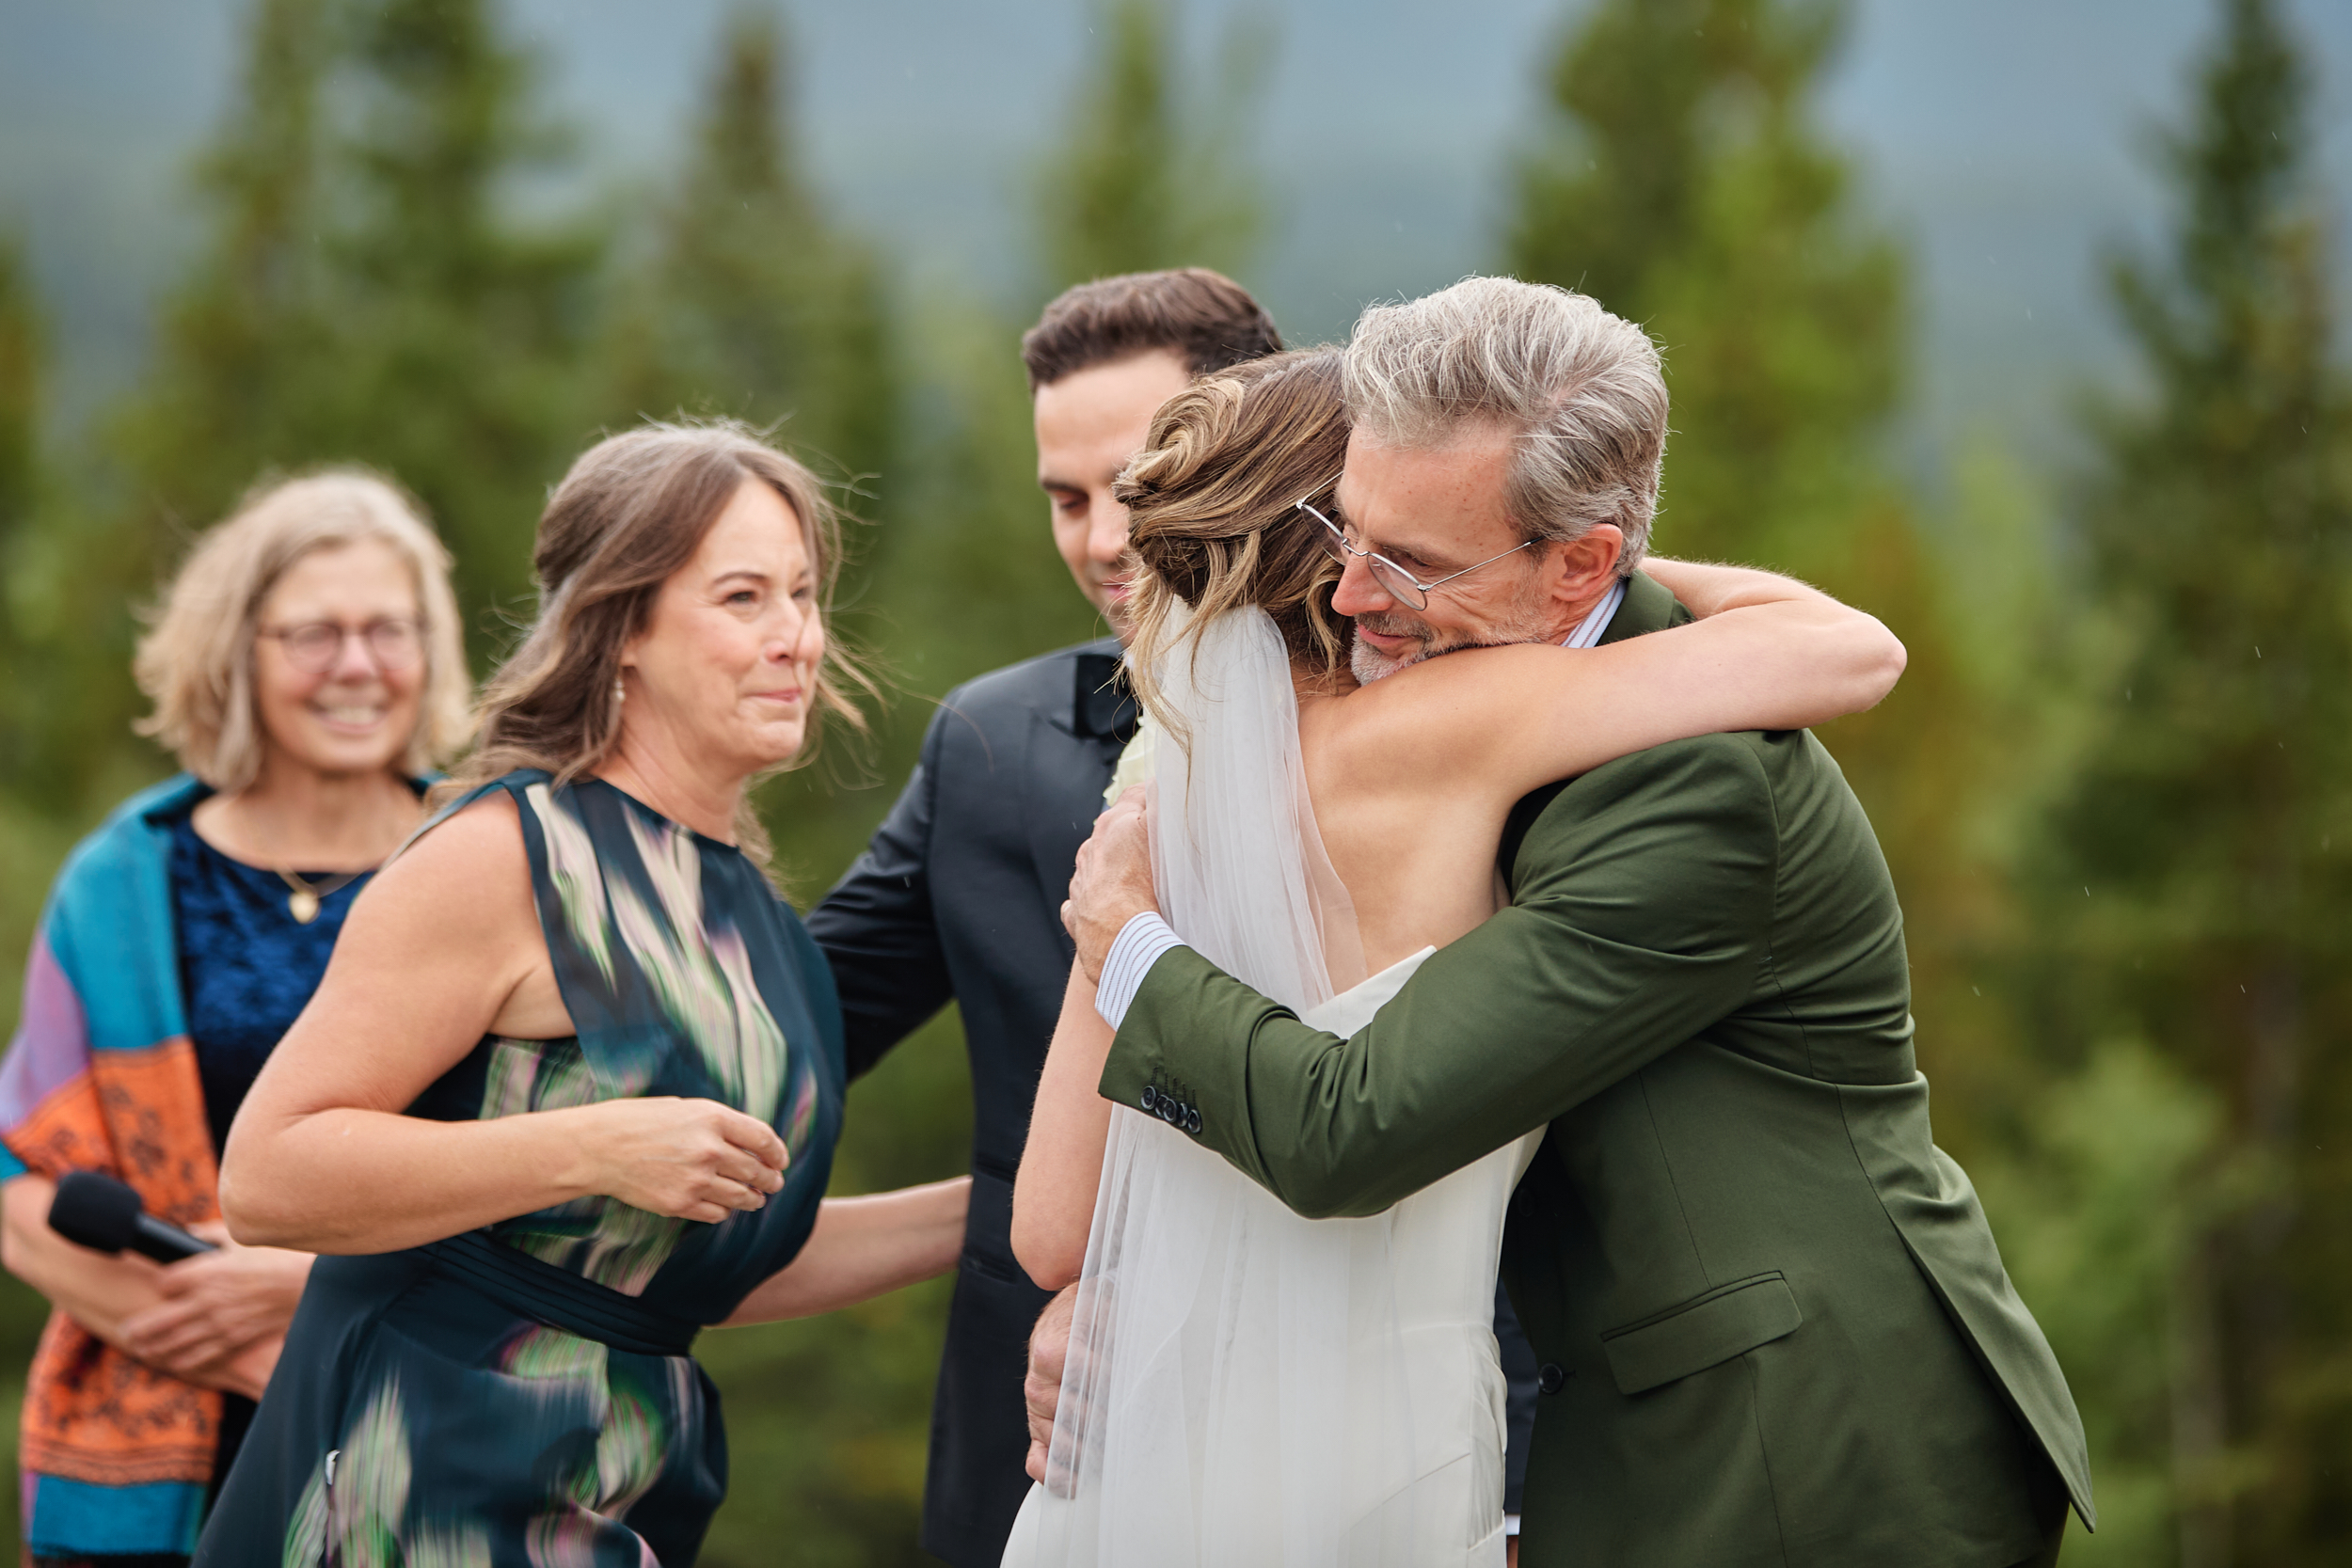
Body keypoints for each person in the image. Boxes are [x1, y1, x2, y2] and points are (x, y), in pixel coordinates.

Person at [1057, 279, 2095, 1567]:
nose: (1350, 594)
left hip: (1795, 1438)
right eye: (1347, 535)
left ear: (1586, 565)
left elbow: (1356, 1124)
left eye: (1415, 562)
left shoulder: (1689, 788)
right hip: (1639, 1410)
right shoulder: (1515, 685)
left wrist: (1134, 946)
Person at [193, 422, 969, 1564]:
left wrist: (997, 1211)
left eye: (802, 595)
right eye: (743, 597)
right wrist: (589, 1146)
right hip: (417, 1475)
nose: (796, 637)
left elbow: (697, 1253)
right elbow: (268, 1174)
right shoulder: (507, 853)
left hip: (624, 1475)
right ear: (622, 632)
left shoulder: (766, 933)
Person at [805, 268, 1314, 1565]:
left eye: (1139, 484)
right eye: (1067, 498)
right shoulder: (992, 741)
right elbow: (788, 1021)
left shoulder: (1421, 732)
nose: (1101, 538)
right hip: (1036, 1454)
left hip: (1328, 1424)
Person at [0, 471, 471, 1565]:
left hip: (433, 1441)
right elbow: (25, 1182)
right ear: (238, 653)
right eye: (313, 632)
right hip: (164, 1455)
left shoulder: (495, 862)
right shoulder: (122, 882)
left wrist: (305, 1286)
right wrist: (247, 1346)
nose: (356, 665)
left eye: (387, 630)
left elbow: (560, 1181)